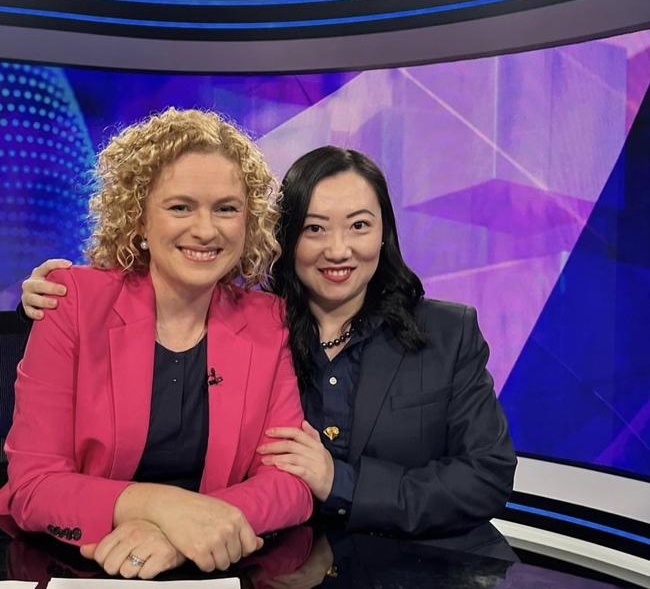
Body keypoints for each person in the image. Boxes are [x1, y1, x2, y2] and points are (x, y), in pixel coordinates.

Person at [20, 146, 516, 557]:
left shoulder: (449, 332)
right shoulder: (269, 318)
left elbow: (486, 475)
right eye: (315, 228)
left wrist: (340, 482)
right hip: (271, 561)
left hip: (423, 560)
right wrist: (173, 518)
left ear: (385, 232)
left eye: (360, 226)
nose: (338, 249)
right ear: (285, 236)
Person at [1, 108, 312, 579]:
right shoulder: (73, 302)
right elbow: (32, 487)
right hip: (80, 565)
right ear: (139, 218)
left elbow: (290, 483)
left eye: (226, 208)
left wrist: (183, 532)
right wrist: (162, 506)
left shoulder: (268, 321)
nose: (206, 230)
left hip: (209, 565)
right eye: (180, 207)